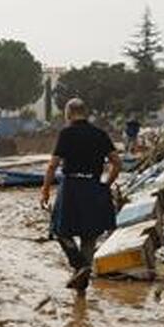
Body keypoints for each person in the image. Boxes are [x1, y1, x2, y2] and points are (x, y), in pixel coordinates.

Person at [40, 98, 120, 293]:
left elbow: (53, 164)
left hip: (71, 187)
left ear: (68, 113)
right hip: (93, 185)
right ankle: (81, 286)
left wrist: (45, 189)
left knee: (59, 230)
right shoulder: (100, 134)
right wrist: (106, 184)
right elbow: (117, 163)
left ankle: (79, 266)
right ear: (86, 112)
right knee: (89, 234)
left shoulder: (66, 134)